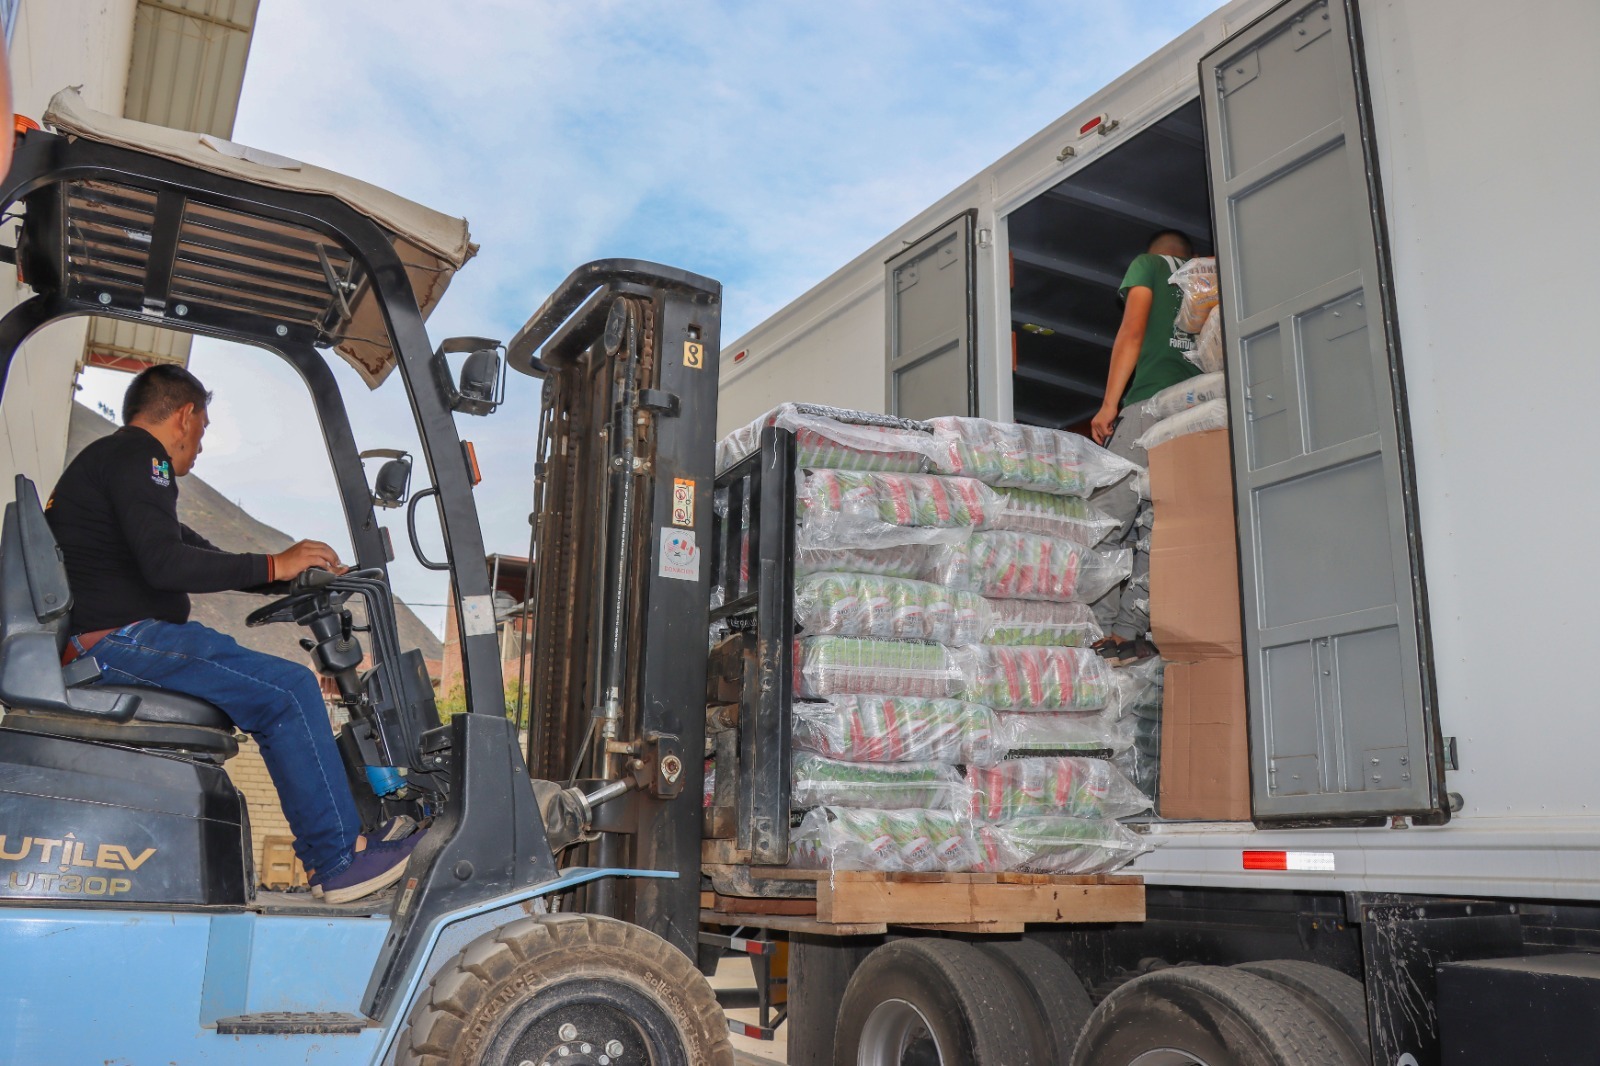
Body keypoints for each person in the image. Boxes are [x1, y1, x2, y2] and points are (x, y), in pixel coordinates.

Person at [45, 365, 422, 904]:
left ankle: (340, 848)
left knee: (279, 691)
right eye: (201, 430)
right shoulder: (139, 458)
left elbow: (199, 555)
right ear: (185, 415)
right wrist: (274, 563)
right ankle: (339, 860)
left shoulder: (115, 465)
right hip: (113, 641)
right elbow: (166, 565)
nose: (198, 447)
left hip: (110, 639)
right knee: (289, 690)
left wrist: (287, 575)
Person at [1088, 230, 1201, 664]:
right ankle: (1129, 633)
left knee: (1108, 517)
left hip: (1149, 404)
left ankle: (1095, 631)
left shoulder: (1150, 266)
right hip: (1195, 412)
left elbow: (1132, 332)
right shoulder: (1211, 284)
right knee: (1156, 525)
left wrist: (1109, 405)